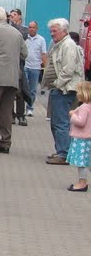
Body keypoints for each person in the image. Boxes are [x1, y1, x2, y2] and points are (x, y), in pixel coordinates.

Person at [0, 7, 26, 154]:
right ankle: (5, 143)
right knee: (6, 112)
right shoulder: (17, 33)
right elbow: (24, 53)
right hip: (12, 78)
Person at [43, 18, 83, 165]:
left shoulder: (68, 46)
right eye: (51, 31)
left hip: (64, 89)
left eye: (54, 31)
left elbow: (68, 69)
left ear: (64, 31)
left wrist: (57, 84)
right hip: (59, 89)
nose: (51, 34)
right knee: (56, 122)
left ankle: (63, 153)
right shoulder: (60, 44)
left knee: (61, 122)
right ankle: (61, 150)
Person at [66, 81, 91, 192]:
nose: (77, 94)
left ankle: (82, 183)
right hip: (87, 138)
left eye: (79, 92)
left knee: (82, 163)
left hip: (82, 138)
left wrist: (72, 115)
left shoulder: (85, 107)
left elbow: (81, 122)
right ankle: (82, 182)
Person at [23, 21, 48, 121]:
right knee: (25, 88)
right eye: (30, 27)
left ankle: (30, 108)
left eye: (33, 27)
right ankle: (23, 107)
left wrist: (45, 67)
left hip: (35, 67)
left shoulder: (41, 39)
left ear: (36, 28)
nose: (31, 29)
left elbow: (43, 54)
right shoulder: (24, 39)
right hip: (25, 66)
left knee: (32, 89)